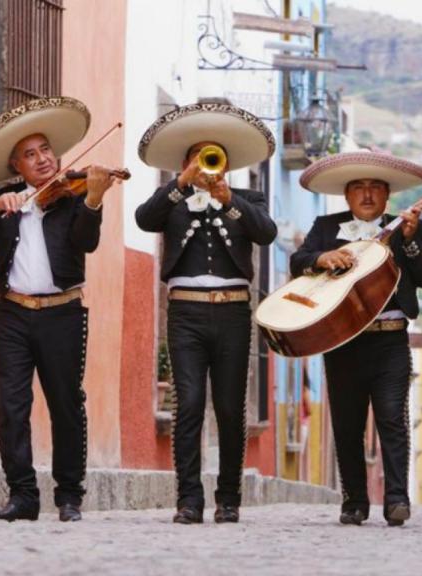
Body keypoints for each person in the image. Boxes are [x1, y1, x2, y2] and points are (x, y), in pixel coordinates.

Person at [0, 96, 123, 522]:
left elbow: (86, 243)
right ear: (18, 167)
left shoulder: (72, 199)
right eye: (30, 155)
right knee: (11, 405)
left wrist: (95, 200)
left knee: (66, 403)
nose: (43, 159)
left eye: (45, 149)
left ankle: (69, 496)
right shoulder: (7, 201)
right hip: (12, 313)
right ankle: (23, 496)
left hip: (62, 313)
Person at [135, 103, 277, 525]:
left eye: (212, 157)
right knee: (190, 404)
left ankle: (229, 498)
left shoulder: (247, 199)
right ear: (185, 163)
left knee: (231, 409)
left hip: (233, 313)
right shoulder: (173, 201)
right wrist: (181, 183)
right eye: (198, 158)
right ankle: (188, 499)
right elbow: (144, 219)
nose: (206, 165)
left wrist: (228, 198)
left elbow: (266, 232)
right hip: (186, 314)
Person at [289, 151, 422, 526]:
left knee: (392, 419)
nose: (368, 195)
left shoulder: (409, 226)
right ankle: (354, 501)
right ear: (347, 195)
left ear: (388, 195)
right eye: (359, 187)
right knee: (346, 422)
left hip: (390, 339)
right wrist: (322, 258)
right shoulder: (326, 227)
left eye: (376, 188)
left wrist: (411, 241)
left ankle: (397, 500)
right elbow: (299, 260)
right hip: (341, 341)